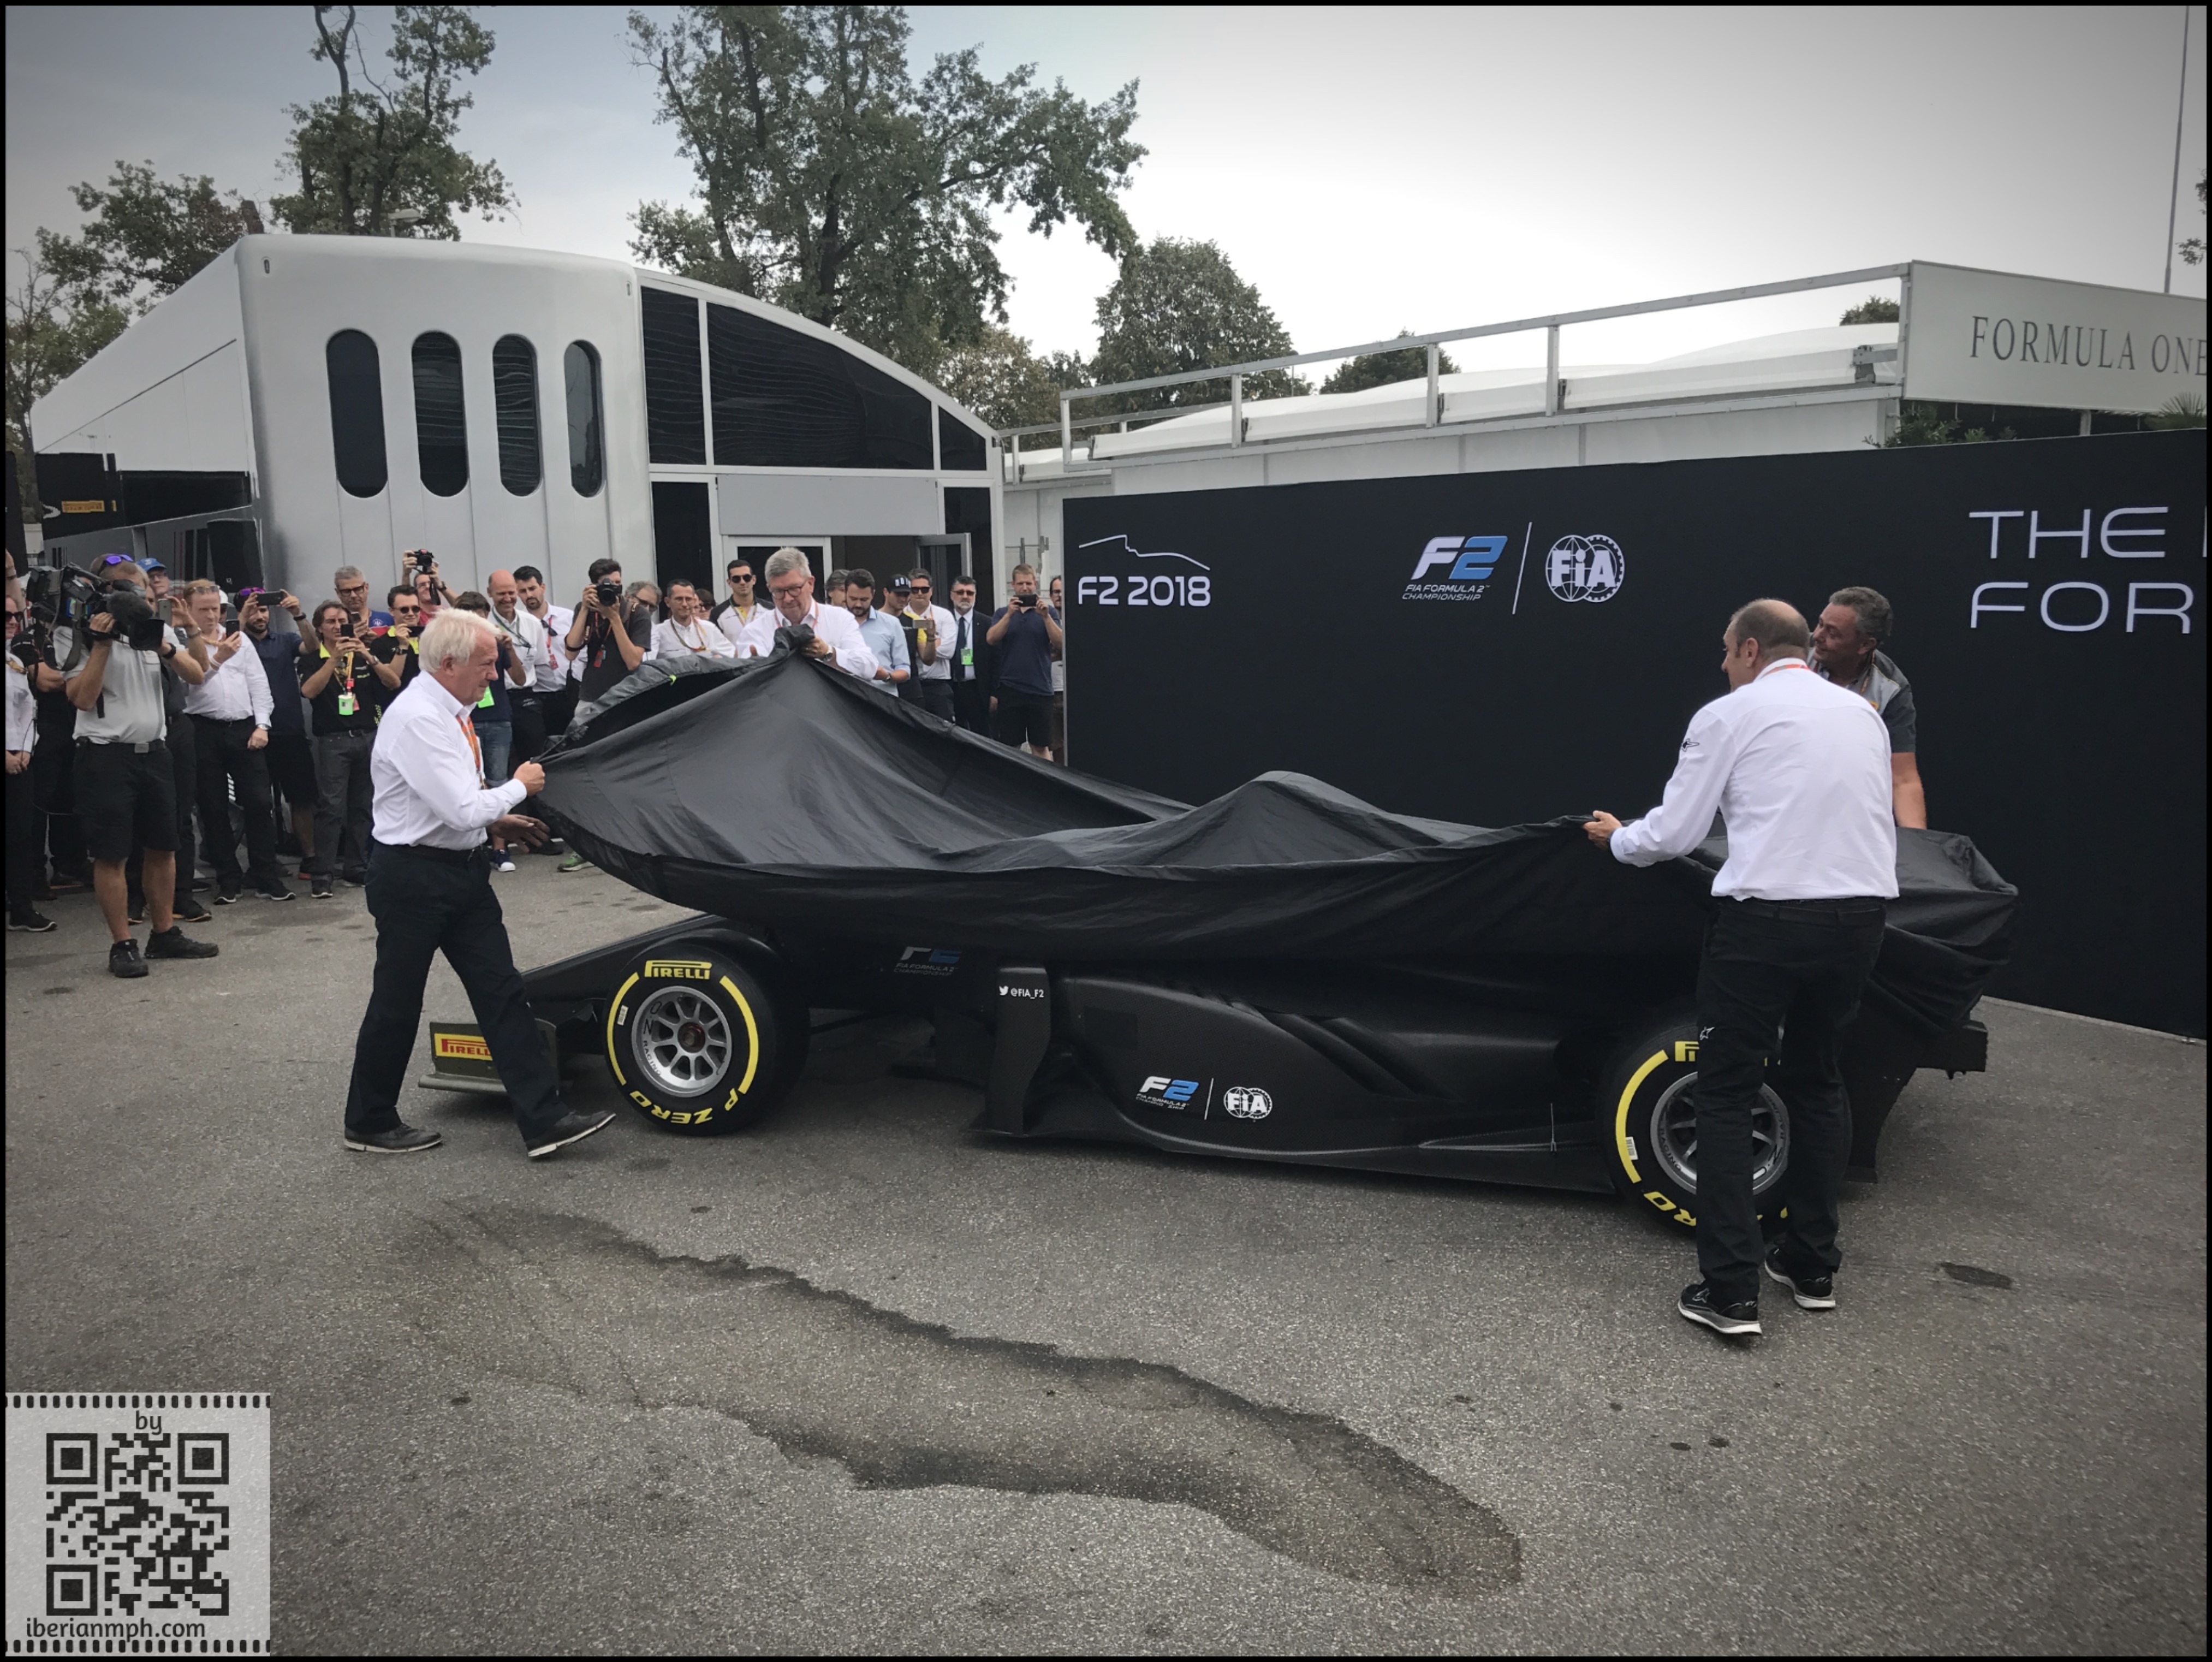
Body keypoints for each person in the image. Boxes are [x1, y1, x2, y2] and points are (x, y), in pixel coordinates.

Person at [1584, 599, 1895, 1342]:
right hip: (1861, 922)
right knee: (1819, 1083)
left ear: (1751, 650)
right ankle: (1813, 1268)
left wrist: (1619, 839)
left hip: (1766, 927)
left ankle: (1730, 1293)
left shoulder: (1729, 715)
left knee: (1725, 1093)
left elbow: (1677, 833)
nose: (1723, 667)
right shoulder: (1862, 717)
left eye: (1727, 653)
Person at [341, 607, 615, 1160]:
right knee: (397, 1000)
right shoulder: (420, 716)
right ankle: (369, 1119)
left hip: (458, 869)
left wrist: (497, 819)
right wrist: (518, 787)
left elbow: (451, 803)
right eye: (487, 664)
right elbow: (461, 807)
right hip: (413, 877)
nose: (495, 674)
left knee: (502, 992)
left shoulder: (449, 709)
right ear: (448, 663)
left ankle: (544, 1119)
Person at [62, 561, 219, 977]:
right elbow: (80, 697)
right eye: (126, 593)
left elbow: (198, 674)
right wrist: (102, 644)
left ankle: (164, 933)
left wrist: (164, 646)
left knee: (164, 846)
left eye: (141, 593)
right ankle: (123, 943)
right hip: (105, 754)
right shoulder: (79, 634)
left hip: (156, 752)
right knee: (112, 852)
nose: (136, 602)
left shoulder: (157, 631)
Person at [179, 580, 288, 904]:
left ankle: (266, 875)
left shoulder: (239, 641)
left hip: (244, 727)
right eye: (204, 610)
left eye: (216, 609)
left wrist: (262, 725)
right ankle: (228, 878)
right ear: (189, 611)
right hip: (203, 728)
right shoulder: (182, 645)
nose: (212, 616)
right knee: (213, 807)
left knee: (259, 802)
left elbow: (259, 685)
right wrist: (219, 659)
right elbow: (191, 686)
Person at [1812, 586, 1925, 829]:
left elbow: (1903, 779)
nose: (1816, 636)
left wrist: (1919, 852)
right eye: (1820, 624)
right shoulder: (1794, 657)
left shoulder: (1891, 688)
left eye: (1832, 632)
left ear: (1865, 645)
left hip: (1846, 808)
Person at [298, 600, 380, 898]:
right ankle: (323, 873)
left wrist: (366, 654)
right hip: (333, 740)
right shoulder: (312, 657)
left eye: (342, 621)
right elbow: (308, 691)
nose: (337, 627)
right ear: (320, 627)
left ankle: (356, 866)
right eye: (331, 622)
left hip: (366, 735)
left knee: (363, 806)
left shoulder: (360, 653)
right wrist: (332, 659)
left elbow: (389, 682)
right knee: (331, 808)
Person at [449, 591, 531, 871]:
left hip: (497, 719)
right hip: (464, 719)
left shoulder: (495, 645)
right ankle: (472, 845)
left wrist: (510, 650)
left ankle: (499, 849)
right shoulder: (453, 649)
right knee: (466, 783)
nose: (477, 621)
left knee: (497, 781)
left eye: (481, 615)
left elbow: (520, 680)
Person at [241, 586, 317, 874]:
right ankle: (262, 863)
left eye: (264, 610)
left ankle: (309, 856)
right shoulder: (235, 642)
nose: (260, 616)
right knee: (257, 802)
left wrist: (298, 615)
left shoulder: (284, 640)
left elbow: (312, 647)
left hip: (289, 730)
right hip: (252, 733)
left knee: (301, 797)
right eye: (254, 610)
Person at [6, 591, 53, 931]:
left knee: (21, 836)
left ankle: (22, 909)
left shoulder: (15, 663)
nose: (11, 622)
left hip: (19, 760)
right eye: (4, 617)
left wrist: (24, 750)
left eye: (13, 616)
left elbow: (27, 708)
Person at [762, 548, 877, 681]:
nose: (787, 599)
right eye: (778, 591)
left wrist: (829, 653)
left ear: (810, 584)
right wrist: (759, 668)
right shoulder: (757, 630)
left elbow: (869, 667)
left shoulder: (840, 619)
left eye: (794, 589)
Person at [985, 563, 1061, 759]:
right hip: (1011, 689)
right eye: (1021, 584)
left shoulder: (1049, 612)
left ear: (1035, 583)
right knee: (1011, 748)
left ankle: (1045, 786)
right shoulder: (1002, 613)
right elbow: (991, 639)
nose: (1025, 588)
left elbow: (1061, 643)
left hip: (1040, 689)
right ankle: (1012, 787)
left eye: (1029, 583)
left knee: (1041, 746)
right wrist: (1010, 615)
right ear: (1013, 585)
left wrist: (1045, 618)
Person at [483, 569, 550, 765]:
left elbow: (539, 662)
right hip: (494, 698)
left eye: (511, 593)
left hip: (526, 698)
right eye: (501, 594)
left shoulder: (532, 623)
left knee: (535, 758)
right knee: (500, 760)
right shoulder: (484, 624)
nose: (508, 599)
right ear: (489, 593)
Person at [565, 557, 649, 706]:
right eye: (608, 584)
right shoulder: (585, 608)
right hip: (592, 695)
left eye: (617, 583)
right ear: (594, 586)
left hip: (627, 694)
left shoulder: (637, 612)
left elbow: (633, 662)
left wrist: (614, 618)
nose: (614, 589)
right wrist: (585, 609)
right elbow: (571, 653)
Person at [514, 565, 574, 750]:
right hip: (540, 696)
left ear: (543, 587)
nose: (529, 595)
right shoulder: (518, 624)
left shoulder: (568, 617)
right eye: (522, 591)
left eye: (532, 589)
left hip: (570, 692)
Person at [900, 568, 956, 721]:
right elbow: (900, 652)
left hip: (938, 685)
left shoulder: (944, 616)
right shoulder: (901, 617)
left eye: (924, 589)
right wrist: (935, 641)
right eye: (915, 589)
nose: (920, 593)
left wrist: (917, 648)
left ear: (931, 591)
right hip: (910, 686)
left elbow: (949, 650)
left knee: (945, 733)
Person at [845, 569, 911, 695]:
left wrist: (886, 676)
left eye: (864, 600)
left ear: (873, 595)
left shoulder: (892, 624)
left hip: (882, 699)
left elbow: (905, 669)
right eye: (853, 599)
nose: (858, 604)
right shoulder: (835, 622)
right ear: (845, 593)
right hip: (844, 699)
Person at [365, 585, 425, 701]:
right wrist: (402, 646)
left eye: (415, 609)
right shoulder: (381, 643)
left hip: (431, 705)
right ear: (391, 611)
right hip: (399, 705)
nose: (411, 613)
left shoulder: (431, 637)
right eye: (404, 610)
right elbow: (392, 681)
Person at [652, 579, 735, 660]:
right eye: (679, 599)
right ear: (668, 602)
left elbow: (733, 655)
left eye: (688, 599)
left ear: (695, 601)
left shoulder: (709, 629)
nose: (684, 604)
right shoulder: (658, 632)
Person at [946, 573, 988, 733]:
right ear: (952, 595)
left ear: (975, 596)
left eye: (970, 593)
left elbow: (995, 660)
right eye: (960, 592)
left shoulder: (987, 623)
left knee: (982, 735)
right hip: (950, 687)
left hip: (977, 689)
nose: (965, 597)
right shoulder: (943, 620)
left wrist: (995, 694)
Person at [714, 555, 774, 659]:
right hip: (733, 671)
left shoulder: (770, 610)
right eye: (736, 579)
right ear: (729, 583)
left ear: (754, 580)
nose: (742, 582)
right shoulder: (717, 613)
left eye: (747, 578)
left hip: (765, 669)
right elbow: (715, 647)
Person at [333, 565, 392, 633]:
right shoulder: (335, 626)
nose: (353, 596)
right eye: (347, 591)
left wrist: (378, 642)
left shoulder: (388, 619)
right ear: (338, 593)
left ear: (366, 587)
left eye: (358, 589)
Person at [1046, 574, 1067, 762]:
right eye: (1056, 592)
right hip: (1051, 690)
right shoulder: (1045, 620)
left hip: (1073, 692)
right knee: (1057, 744)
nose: (1060, 595)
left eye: (1063, 591)